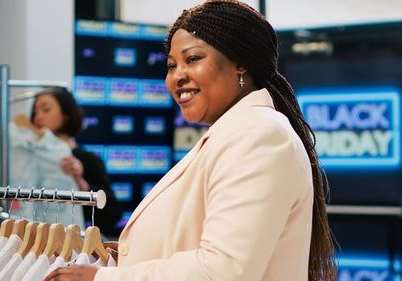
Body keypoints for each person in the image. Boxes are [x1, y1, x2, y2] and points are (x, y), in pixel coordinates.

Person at [45, 1, 337, 280]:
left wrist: (106, 279)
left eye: (193, 59)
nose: (177, 77)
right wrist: (131, 259)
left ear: (241, 64)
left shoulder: (259, 135)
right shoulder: (236, 133)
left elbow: (223, 271)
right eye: (171, 66)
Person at [31, 87, 121, 235]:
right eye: (35, 111)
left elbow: (112, 215)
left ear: (66, 114)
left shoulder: (87, 160)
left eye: (46, 109)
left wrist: (81, 183)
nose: (38, 117)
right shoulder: (30, 154)